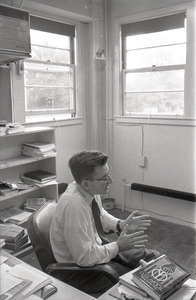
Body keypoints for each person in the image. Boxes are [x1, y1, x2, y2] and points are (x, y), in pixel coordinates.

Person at [50, 150, 159, 293]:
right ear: (86, 183)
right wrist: (118, 246)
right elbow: (84, 258)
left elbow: (100, 214)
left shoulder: (87, 189)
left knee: (153, 258)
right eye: (104, 178)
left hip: (97, 251)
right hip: (81, 270)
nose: (111, 181)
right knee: (136, 282)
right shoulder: (74, 206)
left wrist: (120, 224)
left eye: (108, 174)